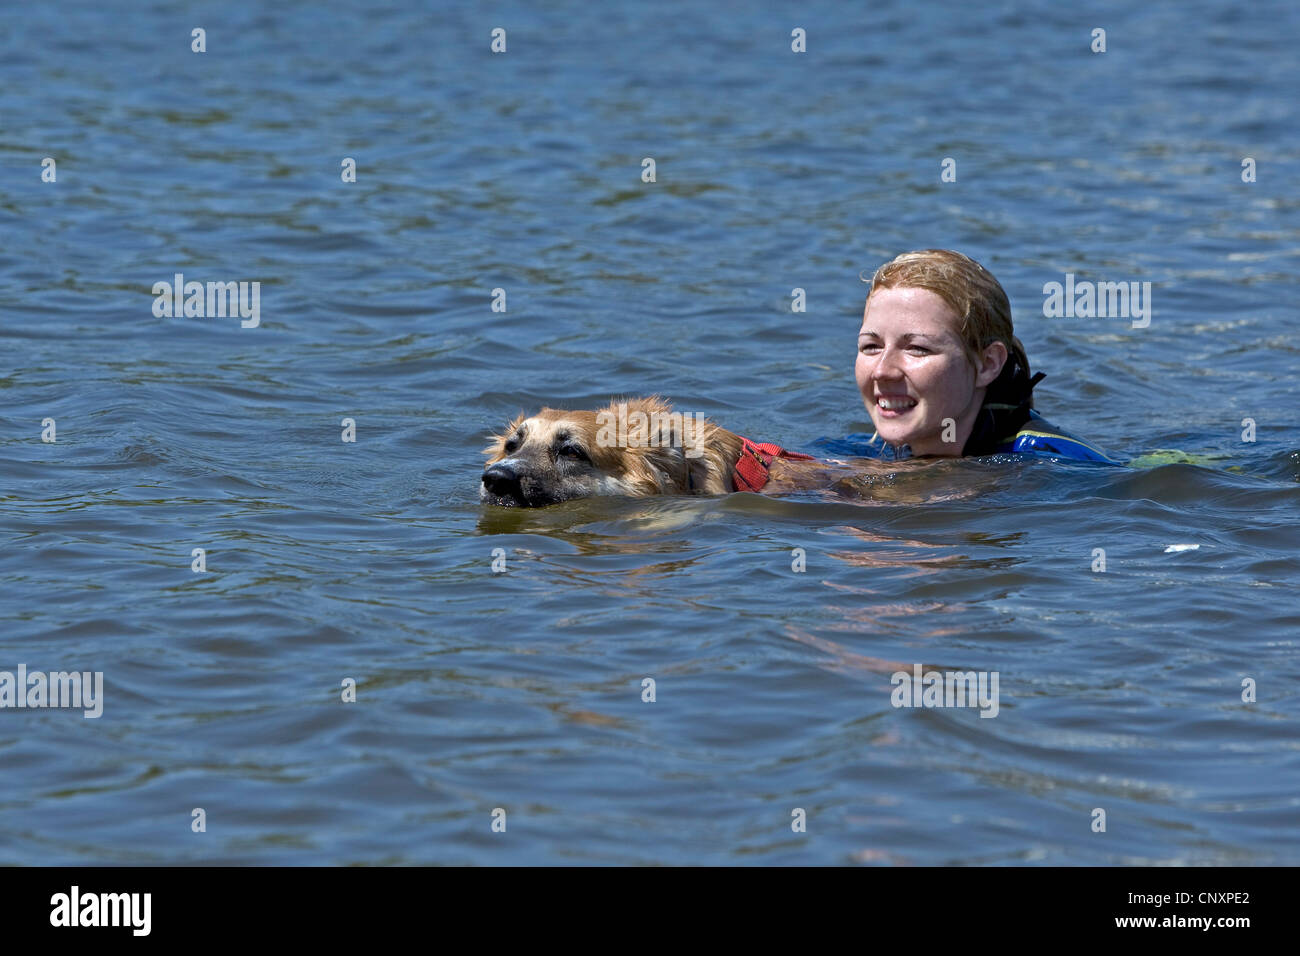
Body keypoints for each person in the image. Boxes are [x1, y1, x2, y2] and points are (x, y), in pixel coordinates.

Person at [824, 249, 1117, 463]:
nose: (882, 371)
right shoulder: (862, 452)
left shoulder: (1057, 462)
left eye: (918, 348)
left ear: (987, 364)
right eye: (871, 346)